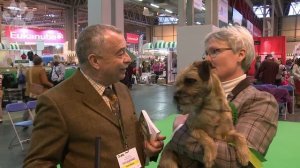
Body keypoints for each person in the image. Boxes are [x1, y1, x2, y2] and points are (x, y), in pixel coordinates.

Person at [23, 24, 165, 168]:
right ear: (95, 61)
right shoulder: (56, 102)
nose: (128, 59)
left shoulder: (122, 90)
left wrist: (146, 148)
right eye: (121, 53)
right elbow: (37, 163)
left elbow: (124, 137)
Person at [170, 26, 278, 167]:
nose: (207, 59)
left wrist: (179, 131)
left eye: (215, 51)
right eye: (206, 53)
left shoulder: (262, 101)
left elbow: (237, 160)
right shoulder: (199, 96)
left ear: (240, 54)